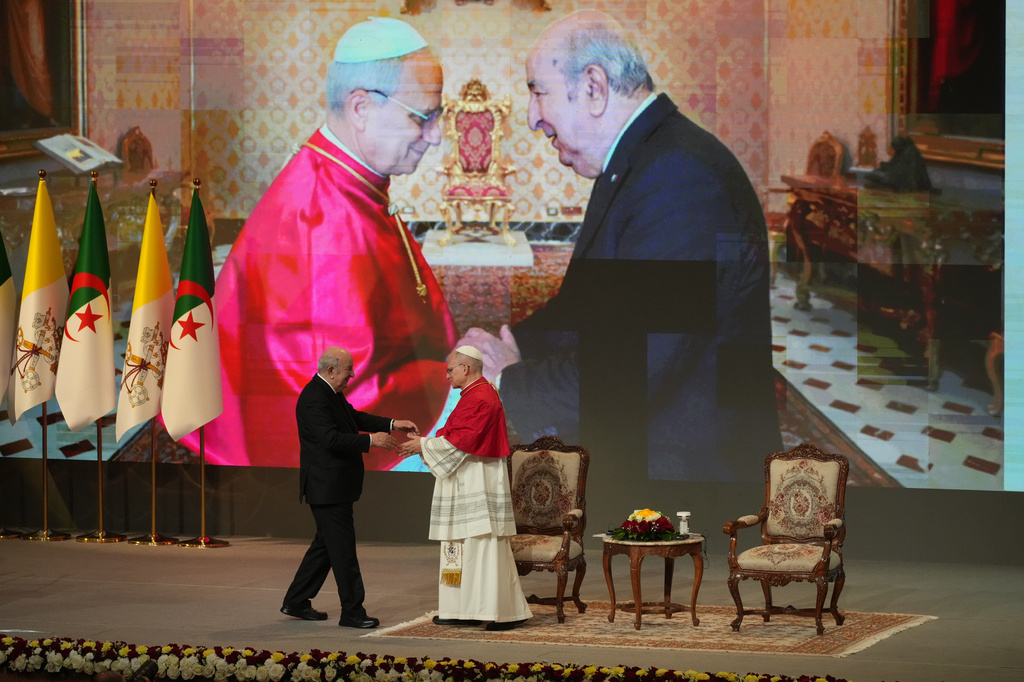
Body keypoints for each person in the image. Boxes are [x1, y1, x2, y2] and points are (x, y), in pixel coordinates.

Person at [459, 10, 781, 481]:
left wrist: (506, 378)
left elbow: (628, 374)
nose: (532, 118)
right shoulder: (644, 161)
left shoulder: (678, 179)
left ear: (593, 87)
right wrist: (512, 344)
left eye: (537, 91)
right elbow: (591, 305)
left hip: (693, 484)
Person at [183, 17, 458, 468]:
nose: (437, 135)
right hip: (296, 454)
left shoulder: (346, 179)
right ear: (361, 108)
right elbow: (344, 386)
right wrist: (455, 382)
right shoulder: (323, 217)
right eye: (423, 116)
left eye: (438, 116)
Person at [281, 346, 418, 628]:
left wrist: (393, 423)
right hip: (326, 487)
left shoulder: (330, 393)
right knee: (342, 551)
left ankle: (296, 600)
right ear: (330, 371)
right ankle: (353, 611)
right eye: (348, 370)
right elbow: (330, 439)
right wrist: (372, 441)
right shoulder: (313, 399)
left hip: (335, 486)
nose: (352, 375)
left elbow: (354, 418)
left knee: (326, 546)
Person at [399, 345, 532, 631]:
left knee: (483, 548)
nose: (446, 375)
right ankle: (461, 609)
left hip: (477, 483)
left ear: (465, 368)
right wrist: (425, 444)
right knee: (459, 548)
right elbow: (453, 435)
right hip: (463, 481)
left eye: (449, 369)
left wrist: (422, 445)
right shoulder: (471, 396)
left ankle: (503, 613)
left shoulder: (482, 397)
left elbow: (465, 440)